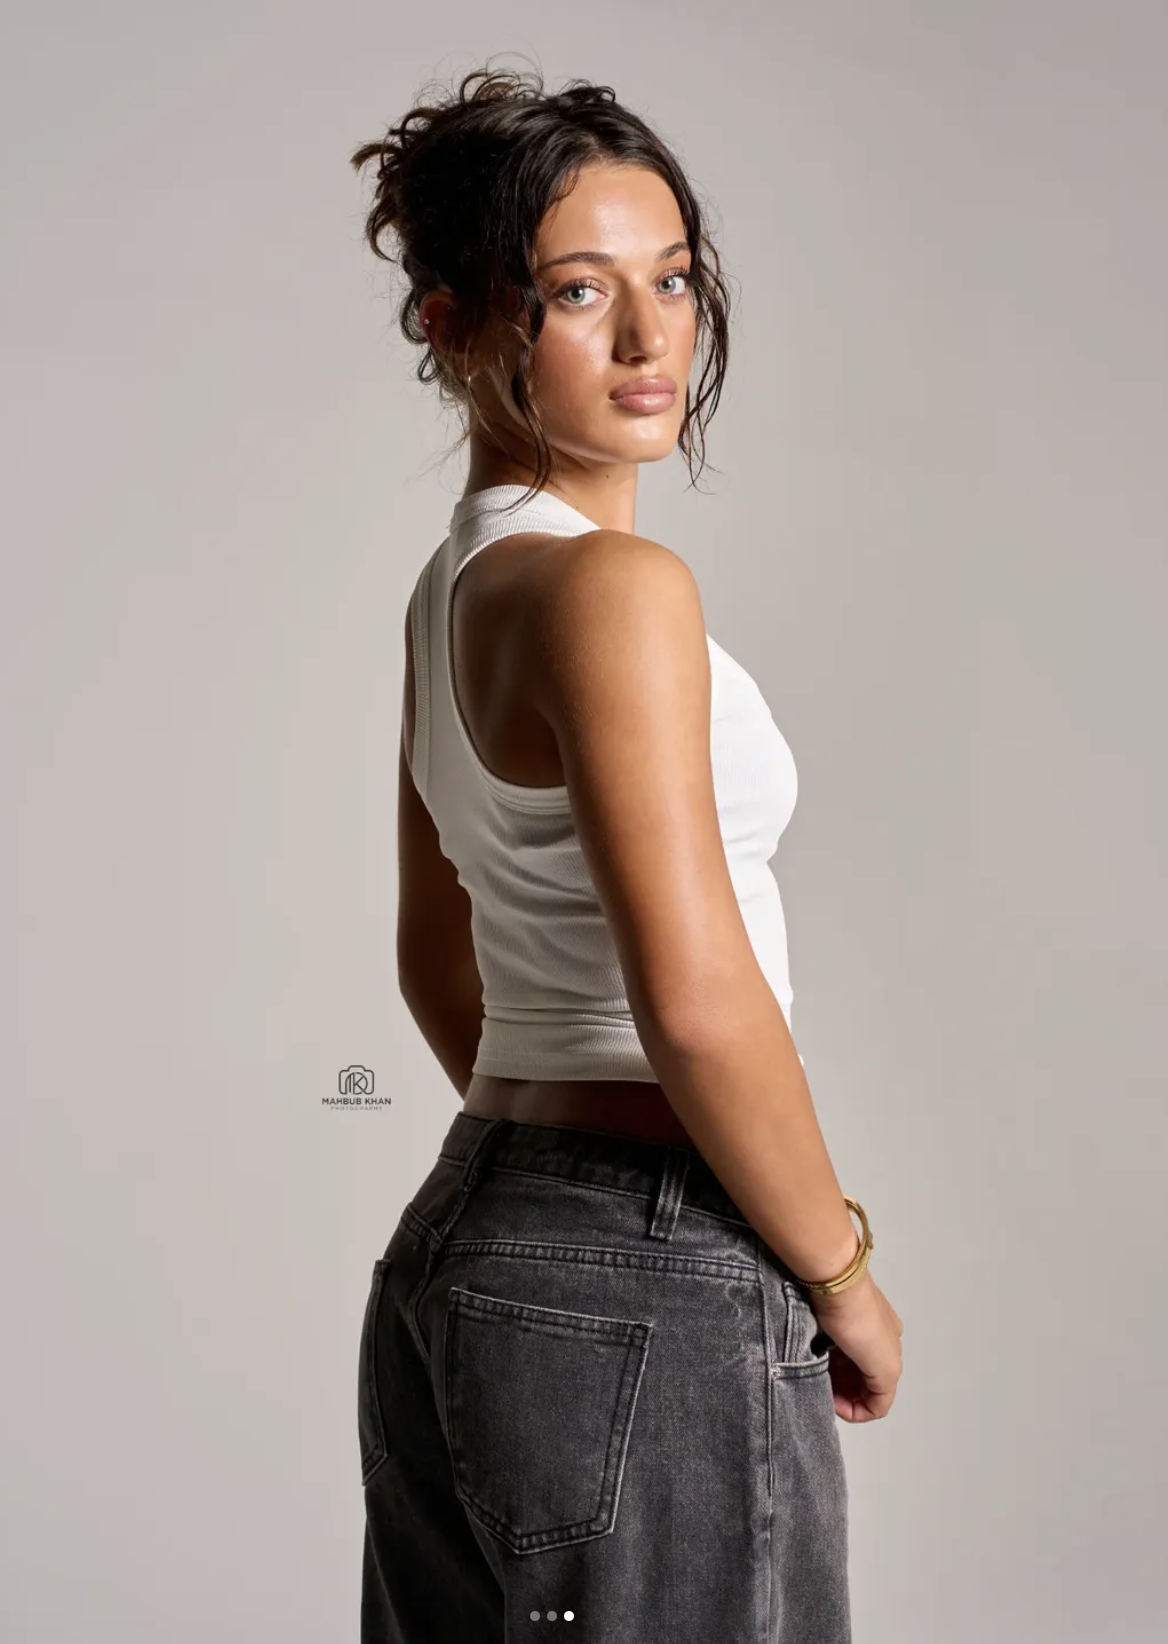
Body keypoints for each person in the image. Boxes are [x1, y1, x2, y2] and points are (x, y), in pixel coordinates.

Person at [350, 60, 904, 1643]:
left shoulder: (451, 591)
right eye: (583, 292)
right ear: (458, 322)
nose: (654, 339)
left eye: (673, 280)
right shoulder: (613, 591)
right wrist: (840, 1270)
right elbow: (700, 997)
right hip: (648, 1262)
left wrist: (539, 1196)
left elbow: (433, 951)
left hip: (467, 1242)